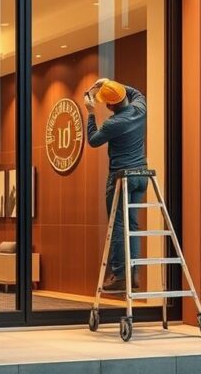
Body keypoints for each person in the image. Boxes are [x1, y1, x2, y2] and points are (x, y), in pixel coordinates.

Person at [84, 78, 148, 292]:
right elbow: (136, 92)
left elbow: (93, 140)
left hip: (122, 177)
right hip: (142, 175)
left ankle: (120, 274)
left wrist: (91, 113)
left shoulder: (114, 123)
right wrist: (110, 83)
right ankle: (134, 272)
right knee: (133, 225)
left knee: (119, 225)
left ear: (109, 106)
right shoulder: (140, 107)